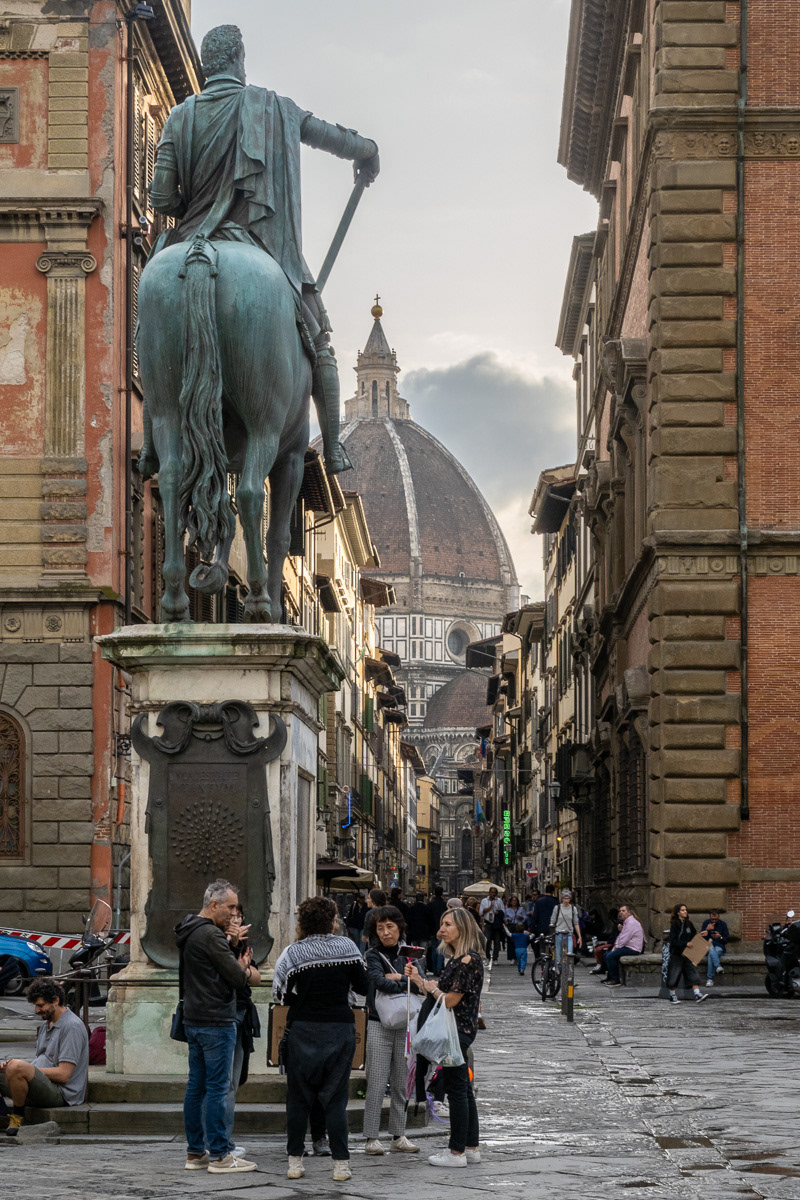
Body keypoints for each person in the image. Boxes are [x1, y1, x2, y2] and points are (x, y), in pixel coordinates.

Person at [145, 23, 380, 479]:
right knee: (322, 345)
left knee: (148, 330)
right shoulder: (276, 108)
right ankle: (332, 448)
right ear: (239, 61)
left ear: (204, 65)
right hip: (263, 248)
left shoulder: (179, 117)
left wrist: (192, 204)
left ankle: (155, 448)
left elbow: (160, 199)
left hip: (190, 242)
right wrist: (367, 151)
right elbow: (330, 137)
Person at [273, 896, 368, 1183]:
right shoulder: (348, 947)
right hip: (340, 1028)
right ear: (332, 920)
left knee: (299, 1098)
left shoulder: (292, 953)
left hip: (303, 1029)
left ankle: (294, 1163)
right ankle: (341, 1165)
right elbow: (364, 987)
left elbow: (281, 995)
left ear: (302, 921)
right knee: (336, 1100)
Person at [175, 878, 260, 1174]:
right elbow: (237, 979)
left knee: (196, 1088)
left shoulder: (189, 929)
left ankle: (195, 1152)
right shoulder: (210, 935)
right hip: (216, 1019)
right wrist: (244, 965)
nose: (234, 912)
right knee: (216, 1087)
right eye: (230, 906)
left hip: (194, 1017)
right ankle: (221, 1155)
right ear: (213, 904)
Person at [406, 908, 484, 1168]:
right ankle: (471, 1147)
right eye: (442, 923)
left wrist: (432, 988)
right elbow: (439, 992)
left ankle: (456, 1152)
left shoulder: (467, 961)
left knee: (457, 1091)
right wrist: (420, 981)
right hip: (460, 1030)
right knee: (463, 1090)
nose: (443, 929)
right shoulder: (458, 959)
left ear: (462, 928)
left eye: (448, 924)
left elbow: (450, 1000)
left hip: (457, 1031)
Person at [363, 905, 422, 1155]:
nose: (386, 932)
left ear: (399, 927)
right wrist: (405, 981)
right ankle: (371, 1137)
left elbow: (421, 984)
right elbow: (378, 981)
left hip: (406, 1024)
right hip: (379, 1022)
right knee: (376, 1081)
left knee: (401, 1082)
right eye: (380, 928)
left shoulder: (411, 954)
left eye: (390, 927)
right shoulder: (372, 955)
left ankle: (399, 1134)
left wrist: (399, 979)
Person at [0, 977, 88, 1134]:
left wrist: (26, 1069)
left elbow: (64, 1074)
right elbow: (41, 1061)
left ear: (55, 1000)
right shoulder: (46, 1024)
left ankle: (17, 1116)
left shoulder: (71, 1027)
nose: (36, 1010)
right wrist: (13, 1068)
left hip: (61, 1092)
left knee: (17, 1067)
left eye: (40, 1005)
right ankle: (3, 1115)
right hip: (43, 1084)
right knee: (10, 1067)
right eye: (35, 1006)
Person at [222, 905, 261, 1158]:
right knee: (221, 1084)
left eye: (239, 917)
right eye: (232, 917)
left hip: (241, 1013)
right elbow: (228, 976)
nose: (237, 921)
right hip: (223, 1016)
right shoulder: (215, 943)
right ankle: (218, 1143)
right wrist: (240, 970)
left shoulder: (243, 946)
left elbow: (255, 976)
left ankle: (221, 1141)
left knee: (233, 1082)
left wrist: (244, 970)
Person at [666, 904, 708, 1004]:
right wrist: (685, 944)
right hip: (677, 953)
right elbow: (673, 940)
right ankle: (672, 995)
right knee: (674, 974)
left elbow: (693, 935)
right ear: (678, 912)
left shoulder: (689, 923)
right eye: (682, 910)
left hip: (687, 954)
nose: (685, 912)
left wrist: (700, 935)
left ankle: (697, 994)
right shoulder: (675, 925)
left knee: (692, 972)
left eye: (686, 910)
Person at [602, 904, 645, 987]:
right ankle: (610, 977)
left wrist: (616, 947)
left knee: (610, 956)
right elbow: (621, 936)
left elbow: (625, 939)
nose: (621, 913)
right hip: (627, 946)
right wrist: (615, 946)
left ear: (629, 912)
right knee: (606, 954)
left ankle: (615, 979)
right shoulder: (626, 922)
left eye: (623, 911)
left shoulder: (631, 923)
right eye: (620, 911)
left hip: (633, 948)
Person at [550, 889, 583, 965]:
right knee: (558, 956)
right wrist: (552, 931)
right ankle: (559, 971)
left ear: (570, 898)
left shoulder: (573, 909)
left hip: (569, 934)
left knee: (569, 953)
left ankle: (568, 972)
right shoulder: (557, 908)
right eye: (565, 898)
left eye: (568, 898)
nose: (566, 900)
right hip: (559, 933)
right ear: (562, 898)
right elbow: (552, 921)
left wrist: (579, 936)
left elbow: (576, 923)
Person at [701, 909, 730, 987]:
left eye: (715, 919)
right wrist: (707, 930)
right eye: (712, 919)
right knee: (710, 947)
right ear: (710, 917)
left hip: (719, 947)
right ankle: (718, 966)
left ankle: (710, 979)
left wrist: (720, 936)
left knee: (711, 954)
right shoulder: (706, 923)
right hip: (708, 946)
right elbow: (701, 939)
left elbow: (726, 940)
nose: (714, 920)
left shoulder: (723, 924)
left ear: (718, 916)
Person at [589, 908, 619, 976]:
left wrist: (607, 942)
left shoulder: (619, 924)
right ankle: (600, 965)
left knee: (599, 950)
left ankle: (601, 966)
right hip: (612, 941)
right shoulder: (616, 924)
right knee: (598, 948)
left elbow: (617, 937)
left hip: (615, 943)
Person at [478, 887, 505, 963]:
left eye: (495, 893)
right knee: (487, 940)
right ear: (489, 893)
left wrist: (498, 912)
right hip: (488, 923)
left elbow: (503, 911)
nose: (493, 894)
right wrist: (490, 908)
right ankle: (487, 956)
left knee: (497, 941)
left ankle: (495, 958)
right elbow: (481, 912)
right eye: (492, 892)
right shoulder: (484, 901)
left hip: (496, 924)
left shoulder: (499, 901)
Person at [425, 887, 447, 974]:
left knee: (434, 950)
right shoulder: (444, 905)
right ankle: (439, 969)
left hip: (432, 931)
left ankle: (434, 969)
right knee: (441, 950)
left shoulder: (430, 905)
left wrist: (429, 931)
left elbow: (427, 919)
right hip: (443, 930)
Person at [504, 895, 524, 961]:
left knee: (518, 942)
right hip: (511, 926)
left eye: (515, 900)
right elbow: (504, 918)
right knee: (510, 942)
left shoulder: (521, 909)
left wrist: (521, 917)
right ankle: (511, 957)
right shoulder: (507, 910)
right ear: (510, 902)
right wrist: (508, 920)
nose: (514, 902)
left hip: (518, 926)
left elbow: (525, 917)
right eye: (513, 900)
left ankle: (517, 957)